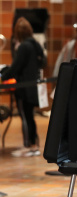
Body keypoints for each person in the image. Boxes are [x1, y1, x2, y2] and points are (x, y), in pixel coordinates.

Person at [0, 17, 45, 157]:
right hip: (33, 87)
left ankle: (29, 146)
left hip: (25, 89)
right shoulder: (35, 44)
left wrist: (2, 76)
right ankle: (33, 144)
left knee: (26, 117)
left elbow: (16, 67)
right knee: (29, 116)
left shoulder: (24, 46)